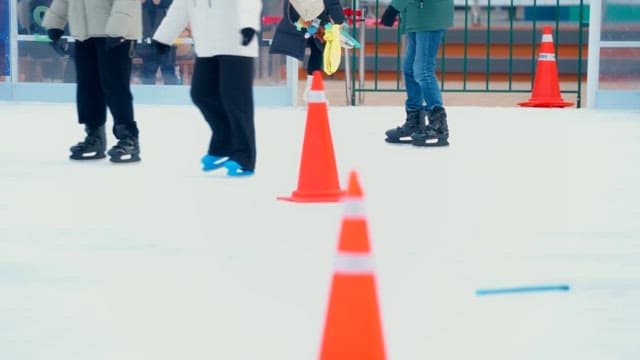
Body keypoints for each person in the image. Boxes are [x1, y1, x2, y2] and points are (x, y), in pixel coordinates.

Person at [152, 0, 262, 176]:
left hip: (236, 43)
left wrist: (248, 24)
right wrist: (163, 37)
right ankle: (224, 143)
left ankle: (244, 157)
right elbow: (180, 7)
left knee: (236, 102)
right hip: (207, 45)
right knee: (201, 93)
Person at [43, 0, 142, 162]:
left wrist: (117, 29)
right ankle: (94, 135)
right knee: (87, 86)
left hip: (117, 33)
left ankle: (129, 137)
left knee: (115, 86)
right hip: (85, 32)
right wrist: (55, 21)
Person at [381, 0, 453, 147]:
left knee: (423, 70)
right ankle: (414, 121)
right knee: (409, 69)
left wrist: (394, 8)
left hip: (430, 15)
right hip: (416, 15)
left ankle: (438, 125)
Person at [269, 0, 345, 101]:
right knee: (318, 49)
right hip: (316, 17)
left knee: (302, 45)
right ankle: (311, 89)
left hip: (296, 15)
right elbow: (332, 2)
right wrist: (339, 19)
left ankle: (309, 89)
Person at [140, 0, 178, 85]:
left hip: (165, 38)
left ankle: (172, 95)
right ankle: (147, 95)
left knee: (168, 72)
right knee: (148, 73)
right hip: (147, 38)